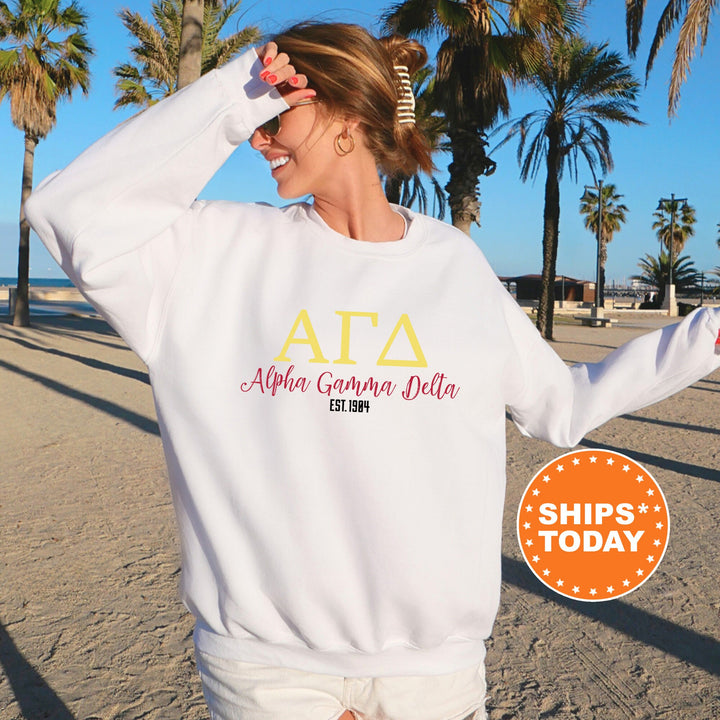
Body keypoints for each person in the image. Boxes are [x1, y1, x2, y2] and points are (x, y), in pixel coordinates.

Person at [24, 21, 720, 720]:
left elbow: (561, 406)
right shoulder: (210, 254)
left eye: (276, 115)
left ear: (347, 112)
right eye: (258, 117)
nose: (260, 139)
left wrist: (709, 333)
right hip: (267, 672)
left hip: (433, 676)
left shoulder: (453, 265)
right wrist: (239, 92)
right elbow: (67, 210)